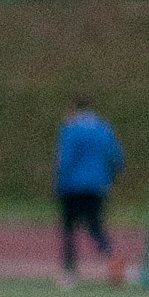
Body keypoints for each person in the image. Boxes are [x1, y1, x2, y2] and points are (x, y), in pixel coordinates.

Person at [53, 102, 123, 274]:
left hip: (71, 186)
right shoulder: (103, 127)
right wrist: (110, 177)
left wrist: (57, 181)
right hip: (97, 185)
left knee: (69, 227)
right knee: (95, 225)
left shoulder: (70, 128)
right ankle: (111, 257)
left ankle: (69, 270)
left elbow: (65, 158)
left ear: (74, 110)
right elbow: (116, 156)